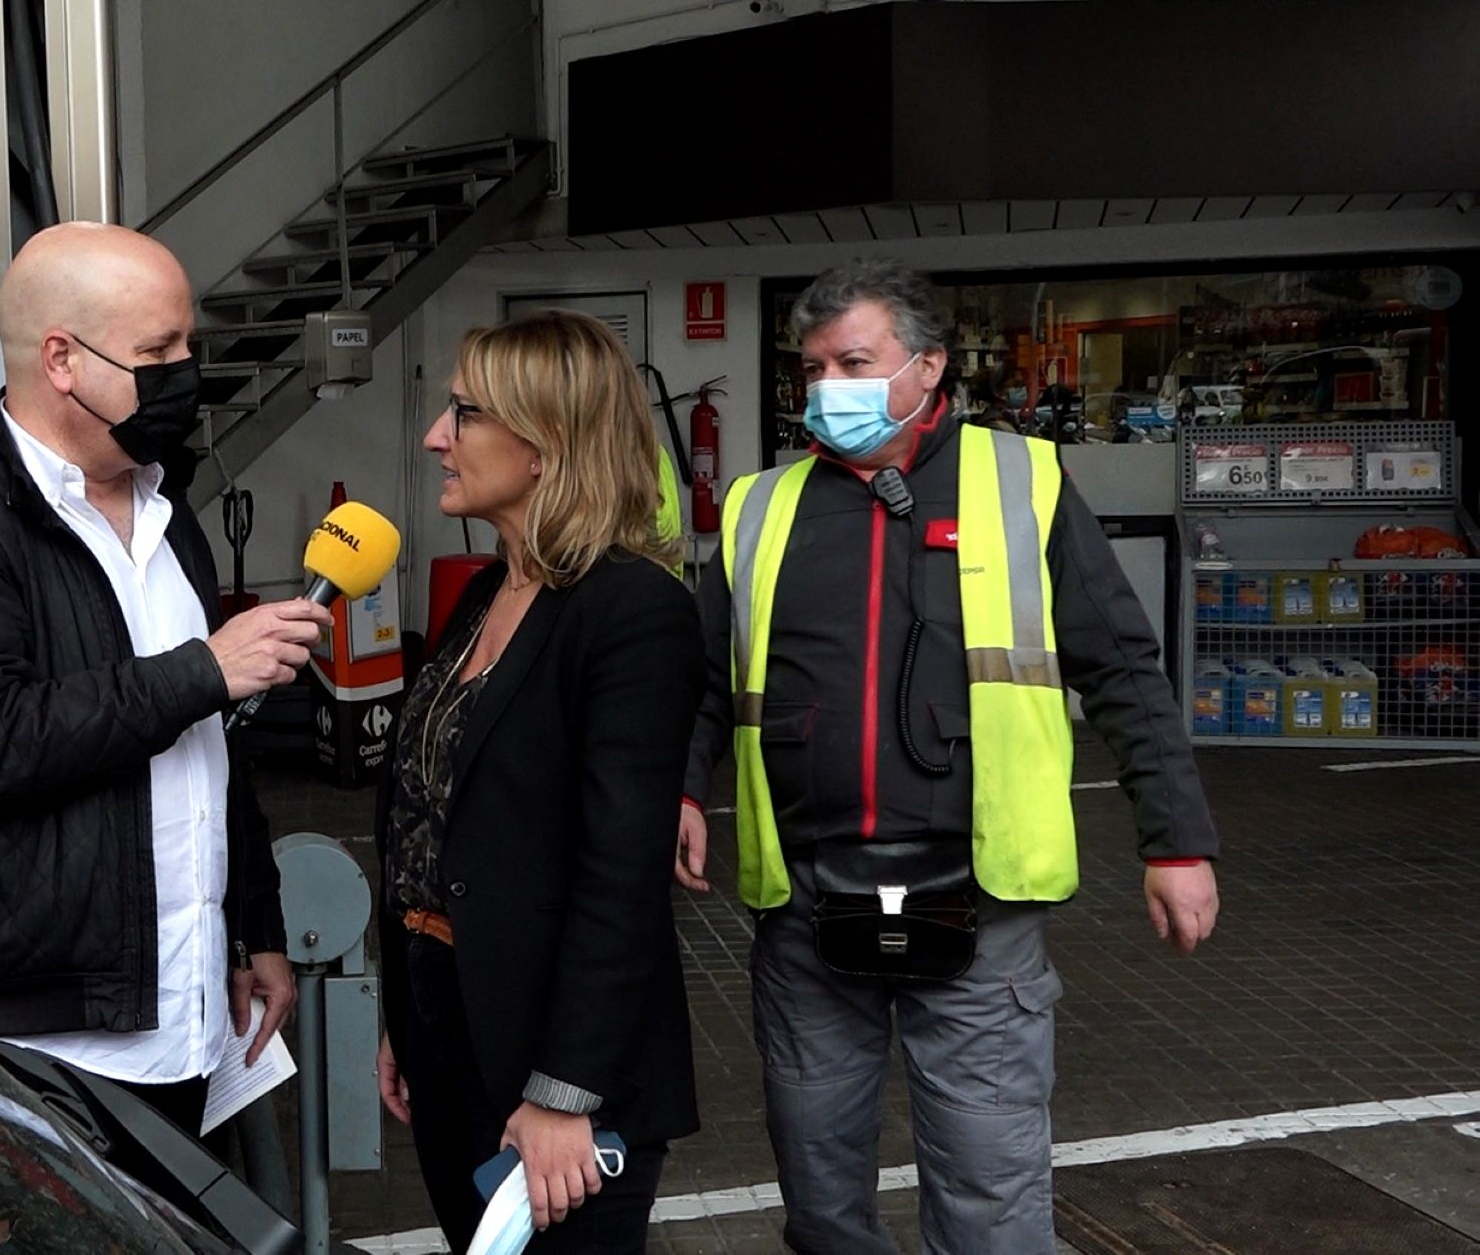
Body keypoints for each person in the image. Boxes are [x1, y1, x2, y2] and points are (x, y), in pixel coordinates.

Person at [675, 258, 1220, 1253]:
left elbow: (1123, 669)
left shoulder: (1024, 482)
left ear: (928, 368)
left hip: (977, 908)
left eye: (854, 361)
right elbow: (709, 678)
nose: (825, 389)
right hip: (803, 909)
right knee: (820, 1201)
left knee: (990, 1203)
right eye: (812, 368)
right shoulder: (761, 507)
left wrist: (1174, 839)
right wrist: (680, 787)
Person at [0, 222, 331, 1134]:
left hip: (182, 1020)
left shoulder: (163, 509)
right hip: (39, 1043)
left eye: (188, 344)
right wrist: (202, 670)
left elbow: (207, 754)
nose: (186, 371)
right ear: (62, 361)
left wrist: (250, 926)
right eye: (158, 351)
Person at [375, 310, 704, 1251]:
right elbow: (431, 822)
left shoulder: (633, 610)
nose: (437, 436)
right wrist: (407, 1008)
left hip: (560, 1068)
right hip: (450, 1021)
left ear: (546, 444)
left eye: (464, 414)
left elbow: (621, 875)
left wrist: (563, 1093)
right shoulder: (486, 593)